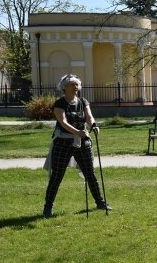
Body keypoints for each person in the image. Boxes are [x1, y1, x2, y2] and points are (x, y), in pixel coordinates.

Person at [43, 74, 110, 218]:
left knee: (90, 173)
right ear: (64, 87)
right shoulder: (59, 104)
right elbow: (63, 122)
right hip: (63, 142)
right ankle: (48, 207)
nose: (76, 87)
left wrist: (93, 125)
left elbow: (89, 116)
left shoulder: (83, 101)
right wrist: (77, 132)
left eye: (77, 85)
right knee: (57, 176)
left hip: (82, 141)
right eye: (72, 85)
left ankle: (100, 202)